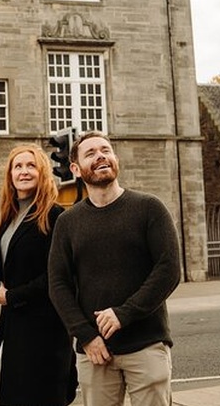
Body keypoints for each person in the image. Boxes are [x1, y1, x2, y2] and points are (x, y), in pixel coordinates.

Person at [48, 131, 181, 406]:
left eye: (105, 150)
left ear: (115, 158)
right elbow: (58, 283)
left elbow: (168, 270)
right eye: (91, 153)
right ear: (75, 168)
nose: (100, 157)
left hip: (146, 344)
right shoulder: (68, 222)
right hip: (94, 352)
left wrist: (124, 314)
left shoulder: (149, 208)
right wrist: (85, 337)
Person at [0, 145, 77, 406]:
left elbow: (59, 275)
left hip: (45, 331)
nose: (23, 171)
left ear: (42, 172)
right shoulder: (8, 218)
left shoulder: (55, 216)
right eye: (17, 166)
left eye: (30, 166)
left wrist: (13, 296)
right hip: (11, 327)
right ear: (10, 175)